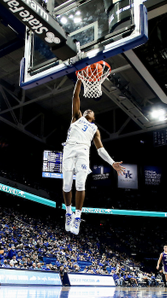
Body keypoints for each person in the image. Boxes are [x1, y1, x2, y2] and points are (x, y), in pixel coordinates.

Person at [62, 79, 126, 235]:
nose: (88, 110)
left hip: (84, 151)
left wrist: (112, 163)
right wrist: (79, 80)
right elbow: (75, 96)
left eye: (91, 111)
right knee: (67, 185)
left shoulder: (95, 129)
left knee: (81, 185)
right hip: (69, 148)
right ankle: (68, 212)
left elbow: (100, 149)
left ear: (94, 117)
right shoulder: (77, 116)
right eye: (87, 109)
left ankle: (77, 216)